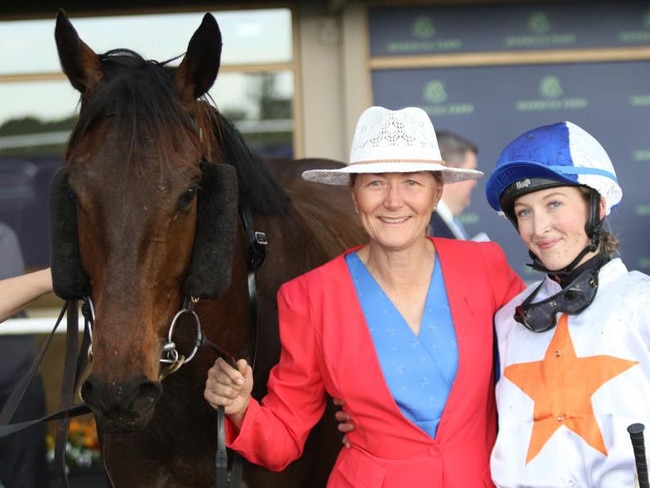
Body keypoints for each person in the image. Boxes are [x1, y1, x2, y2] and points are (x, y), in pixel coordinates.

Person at [204, 106, 525, 487]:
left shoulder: (484, 267)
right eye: (375, 183)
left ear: (436, 192)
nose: (393, 200)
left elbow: (537, 372)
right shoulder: (310, 297)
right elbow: (282, 439)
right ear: (354, 195)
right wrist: (242, 408)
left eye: (412, 182)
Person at [484, 121, 650, 487]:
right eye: (524, 212)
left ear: (599, 204)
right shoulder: (506, 322)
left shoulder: (643, 303)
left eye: (554, 203)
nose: (538, 228)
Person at [0, 222, 51, 488]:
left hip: (13, 378)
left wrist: (52, 276)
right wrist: (51, 277)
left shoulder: (2, 236)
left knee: (25, 473)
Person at [428, 130, 486, 241]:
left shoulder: (445, 222)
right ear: (452, 172)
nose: (474, 183)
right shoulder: (428, 227)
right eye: (470, 172)